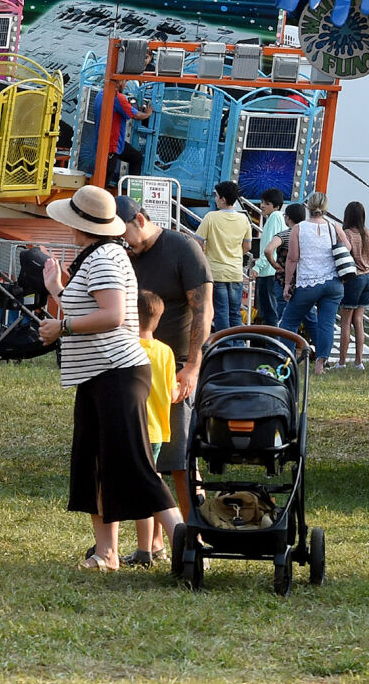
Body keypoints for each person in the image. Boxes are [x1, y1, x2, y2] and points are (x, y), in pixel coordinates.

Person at [38, 186, 182, 571]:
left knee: (134, 463)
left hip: (116, 372)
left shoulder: (102, 258)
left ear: (78, 225)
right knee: (95, 464)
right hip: (99, 374)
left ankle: (183, 541)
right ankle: (107, 552)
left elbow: (113, 315)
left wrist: (62, 327)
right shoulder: (100, 256)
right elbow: (91, 306)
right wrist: (56, 290)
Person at [117, 196, 211, 515]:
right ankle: (154, 545)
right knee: (147, 459)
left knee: (181, 460)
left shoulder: (182, 248)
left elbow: (203, 310)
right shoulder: (125, 254)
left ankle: (195, 538)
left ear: (140, 221)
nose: (123, 245)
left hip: (176, 368)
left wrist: (193, 367)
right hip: (135, 367)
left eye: (124, 235)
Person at [129, 289, 179, 567]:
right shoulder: (166, 351)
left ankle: (144, 550)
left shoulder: (128, 347)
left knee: (143, 490)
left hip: (138, 428)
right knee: (152, 482)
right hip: (159, 429)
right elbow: (172, 393)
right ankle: (155, 545)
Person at [280, 192, 347, 377]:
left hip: (308, 282)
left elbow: (293, 258)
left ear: (308, 206)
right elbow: (347, 248)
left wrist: (287, 284)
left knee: (290, 321)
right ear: (325, 208)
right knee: (326, 323)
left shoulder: (299, 228)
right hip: (333, 283)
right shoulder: (334, 227)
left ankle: (287, 359)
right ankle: (320, 365)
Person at [197, 180, 252, 333]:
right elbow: (247, 246)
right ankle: (237, 346)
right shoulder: (244, 219)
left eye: (216, 196)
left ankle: (225, 346)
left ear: (223, 199)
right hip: (235, 273)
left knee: (221, 312)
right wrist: (234, 255)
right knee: (235, 313)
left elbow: (198, 242)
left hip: (216, 272)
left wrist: (207, 253)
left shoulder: (211, 217)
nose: (215, 198)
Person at [335, 201, 369, 370]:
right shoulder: (368, 233)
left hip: (353, 278)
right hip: (368, 276)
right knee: (358, 320)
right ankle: (359, 361)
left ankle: (342, 361)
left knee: (345, 321)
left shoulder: (347, 234)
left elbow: (343, 255)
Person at [93, 85, 152, 185]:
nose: (125, 85)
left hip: (104, 142)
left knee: (136, 157)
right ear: (119, 81)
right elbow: (136, 115)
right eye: (125, 81)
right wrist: (147, 114)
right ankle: (131, 193)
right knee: (104, 179)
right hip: (113, 145)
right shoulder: (117, 98)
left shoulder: (100, 94)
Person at [252, 188, 287, 325]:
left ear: (276, 206)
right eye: (261, 202)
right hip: (272, 271)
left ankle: (272, 344)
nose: (262, 206)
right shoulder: (279, 218)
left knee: (269, 313)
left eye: (266, 203)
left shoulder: (274, 217)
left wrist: (257, 267)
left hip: (268, 272)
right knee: (270, 312)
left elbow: (268, 247)